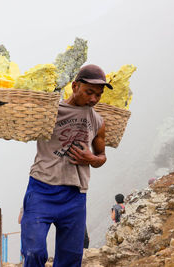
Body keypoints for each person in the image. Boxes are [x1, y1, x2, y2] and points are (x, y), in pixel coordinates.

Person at [20, 64, 112, 267]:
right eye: (89, 92)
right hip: (42, 189)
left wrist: (91, 159)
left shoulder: (97, 121)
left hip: (75, 195)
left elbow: (102, 156)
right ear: (75, 86)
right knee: (34, 251)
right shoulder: (51, 111)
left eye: (99, 94)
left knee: (71, 258)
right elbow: (23, 125)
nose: (93, 99)